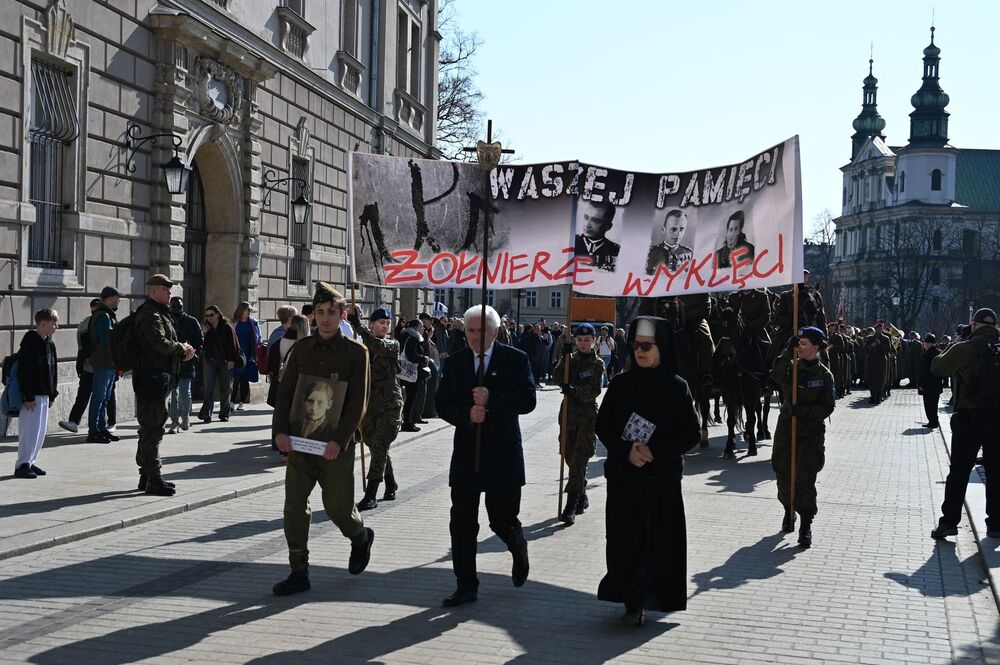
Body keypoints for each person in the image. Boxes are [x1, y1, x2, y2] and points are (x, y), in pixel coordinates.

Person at [595, 316, 701, 626]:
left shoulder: (676, 386)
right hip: (624, 478)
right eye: (635, 345)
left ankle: (650, 598)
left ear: (662, 347)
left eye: (647, 345)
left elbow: (690, 434)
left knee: (657, 542)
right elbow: (603, 426)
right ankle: (631, 600)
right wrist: (627, 450)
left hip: (660, 480)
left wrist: (655, 450)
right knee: (624, 541)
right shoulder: (620, 384)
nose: (640, 351)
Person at [272, 283, 374, 596]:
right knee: (294, 507)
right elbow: (286, 392)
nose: (326, 318)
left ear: (343, 314)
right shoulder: (301, 349)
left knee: (338, 508)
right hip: (301, 443)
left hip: (334, 447)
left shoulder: (357, 353)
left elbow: (358, 401)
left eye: (332, 312)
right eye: (320, 312)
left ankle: (360, 536)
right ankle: (298, 570)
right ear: (313, 315)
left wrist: (340, 440)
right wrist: (279, 432)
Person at [435, 305, 537, 607]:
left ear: (495, 331)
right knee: (462, 524)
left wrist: (493, 400)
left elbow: (528, 400)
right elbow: (443, 404)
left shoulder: (515, 359)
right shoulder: (455, 363)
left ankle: (517, 546)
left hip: (502, 453)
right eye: (471, 330)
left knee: (502, 519)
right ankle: (466, 585)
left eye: (482, 330)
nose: (476, 336)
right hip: (467, 454)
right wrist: (466, 414)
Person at [930, 308, 1000, 540]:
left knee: (959, 471)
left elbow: (938, 367)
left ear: (974, 324)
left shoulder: (966, 348)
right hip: (997, 417)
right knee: (996, 471)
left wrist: (957, 342)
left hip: (969, 416)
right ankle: (996, 524)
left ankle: (949, 522)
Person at [770, 327, 836, 549]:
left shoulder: (824, 375)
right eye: (798, 343)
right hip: (786, 429)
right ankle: (789, 509)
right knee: (783, 471)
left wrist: (803, 412)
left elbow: (828, 407)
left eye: (804, 343)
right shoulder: (791, 368)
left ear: (816, 347)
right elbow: (775, 375)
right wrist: (787, 350)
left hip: (810, 434)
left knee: (805, 477)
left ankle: (806, 523)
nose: (800, 347)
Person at [132, 275, 196, 495]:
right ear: (154, 291)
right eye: (166, 290)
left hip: (159, 377)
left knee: (151, 427)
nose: (170, 294)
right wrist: (181, 348)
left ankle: (147, 475)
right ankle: (154, 478)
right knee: (153, 429)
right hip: (151, 379)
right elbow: (158, 343)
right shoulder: (149, 315)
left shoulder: (159, 313)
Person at [349, 306, 404, 511]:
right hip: (370, 404)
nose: (385, 326)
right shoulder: (361, 347)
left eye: (388, 323)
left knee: (380, 445)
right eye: (381, 322)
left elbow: (378, 347)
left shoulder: (392, 344)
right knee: (375, 446)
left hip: (390, 404)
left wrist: (358, 326)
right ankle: (391, 483)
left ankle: (371, 494)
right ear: (372, 324)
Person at [553, 323, 604, 525]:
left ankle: (571, 505)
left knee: (578, 460)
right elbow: (558, 378)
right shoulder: (570, 360)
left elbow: (595, 390)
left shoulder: (597, 363)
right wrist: (563, 359)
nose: (583, 344)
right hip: (568, 414)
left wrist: (575, 390)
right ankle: (581, 492)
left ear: (593, 341)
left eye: (587, 340)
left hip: (586, 416)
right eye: (580, 340)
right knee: (568, 455)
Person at [13, 308, 60, 479]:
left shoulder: (49, 344)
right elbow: (25, 371)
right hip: (32, 397)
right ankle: (22, 464)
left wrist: (53, 393)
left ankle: (31, 461)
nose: (57, 326)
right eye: (54, 323)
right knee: (29, 431)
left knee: (40, 432)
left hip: (45, 394)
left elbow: (53, 370)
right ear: (43, 324)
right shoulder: (30, 342)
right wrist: (29, 396)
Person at [60, 299, 116, 434]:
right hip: (91, 364)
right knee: (89, 394)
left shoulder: (104, 319)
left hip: (100, 363)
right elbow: (83, 345)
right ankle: (77, 421)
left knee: (107, 395)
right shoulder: (89, 322)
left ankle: (110, 423)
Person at [86, 286, 122, 444]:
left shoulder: (108, 315)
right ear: (109, 299)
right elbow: (106, 338)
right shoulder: (103, 316)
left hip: (109, 361)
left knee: (105, 397)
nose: (119, 300)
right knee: (99, 397)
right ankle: (93, 430)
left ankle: (101, 429)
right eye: (117, 297)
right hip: (103, 360)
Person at [167, 296, 203, 434]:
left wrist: (194, 355)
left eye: (179, 307)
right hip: (171, 363)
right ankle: (174, 421)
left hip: (187, 362)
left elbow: (200, 340)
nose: (177, 309)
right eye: (174, 307)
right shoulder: (167, 321)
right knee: (173, 395)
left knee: (185, 393)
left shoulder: (191, 321)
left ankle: (185, 416)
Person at [199, 305, 239, 423]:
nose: (209, 318)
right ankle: (207, 414)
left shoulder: (227, 327)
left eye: (212, 315)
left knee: (226, 388)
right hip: (210, 361)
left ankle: (224, 413)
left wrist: (231, 360)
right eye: (207, 316)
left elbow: (234, 344)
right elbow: (202, 346)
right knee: (209, 387)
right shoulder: (206, 328)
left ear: (218, 314)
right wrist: (204, 334)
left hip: (225, 361)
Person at [398, 318, 429, 432]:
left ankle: (407, 421)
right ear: (416, 328)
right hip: (410, 373)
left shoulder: (406, 336)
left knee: (407, 398)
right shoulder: (412, 338)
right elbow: (411, 355)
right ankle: (407, 423)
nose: (423, 329)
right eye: (421, 327)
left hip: (405, 372)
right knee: (410, 398)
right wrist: (423, 358)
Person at [574, 199, 620, 272]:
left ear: (608, 226)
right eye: (586, 217)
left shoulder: (616, 251)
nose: (587, 225)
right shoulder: (571, 242)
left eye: (595, 221)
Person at [231, 301, 261, 411]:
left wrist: (256, 352)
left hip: (248, 354)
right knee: (235, 379)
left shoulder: (253, 323)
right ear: (242, 310)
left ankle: (242, 402)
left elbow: (258, 337)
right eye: (248, 309)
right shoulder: (235, 322)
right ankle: (231, 401)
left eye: (250, 310)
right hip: (237, 353)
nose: (249, 312)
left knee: (244, 379)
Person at [645, 209, 694, 274]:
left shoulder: (689, 254)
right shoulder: (650, 253)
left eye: (681, 229)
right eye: (673, 229)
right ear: (663, 229)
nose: (678, 234)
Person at [917, 333, 943, 429]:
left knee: (928, 404)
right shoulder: (939, 352)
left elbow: (923, 371)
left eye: (925, 343)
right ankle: (935, 421)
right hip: (937, 383)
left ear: (928, 343)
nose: (924, 345)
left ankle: (932, 422)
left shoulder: (926, 355)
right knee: (934, 404)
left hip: (927, 384)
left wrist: (920, 384)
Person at [864, 321, 891, 405]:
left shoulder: (885, 338)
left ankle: (879, 397)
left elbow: (888, 349)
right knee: (871, 379)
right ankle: (872, 397)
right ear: (875, 329)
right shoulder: (869, 338)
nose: (879, 330)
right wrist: (872, 345)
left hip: (881, 361)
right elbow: (865, 349)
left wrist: (880, 344)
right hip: (871, 360)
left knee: (880, 380)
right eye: (877, 329)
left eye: (881, 328)